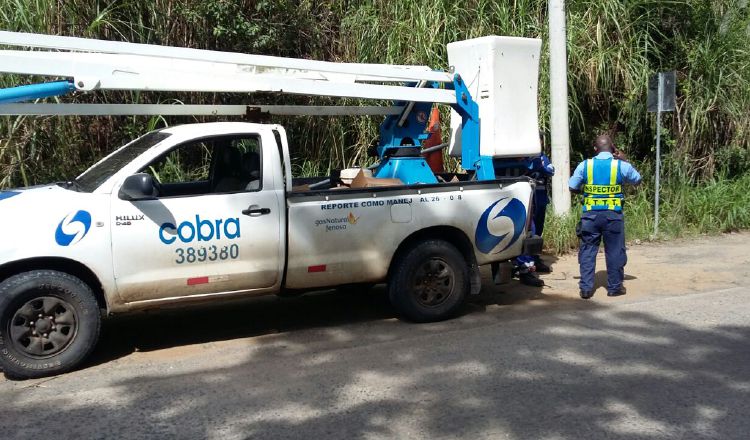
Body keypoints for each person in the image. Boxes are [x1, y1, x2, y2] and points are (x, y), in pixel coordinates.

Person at [568, 134, 641, 299]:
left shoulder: (585, 165)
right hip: (613, 216)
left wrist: (586, 193)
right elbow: (637, 180)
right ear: (613, 149)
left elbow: (572, 186)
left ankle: (586, 289)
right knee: (615, 251)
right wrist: (626, 159)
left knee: (588, 251)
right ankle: (614, 288)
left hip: (590, 216)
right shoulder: (620, 166)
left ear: (595, 149)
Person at [495, 151, 554, 287]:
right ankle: (523, 268)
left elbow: (549, 169)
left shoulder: (537, 157)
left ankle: (528, 264)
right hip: (510, 199)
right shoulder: (500, 156)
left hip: (531, 198)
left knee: (533, 231)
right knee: (525, 232)